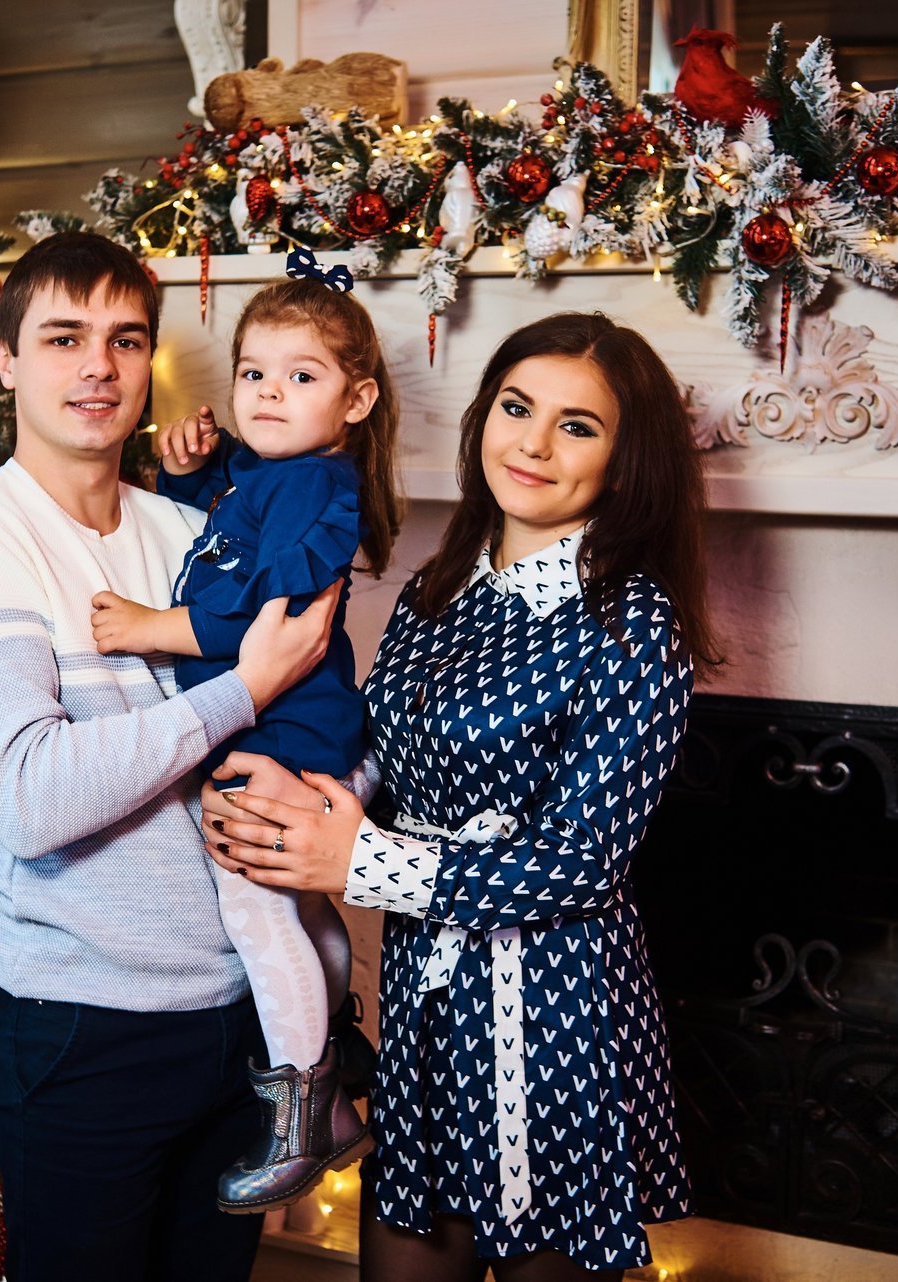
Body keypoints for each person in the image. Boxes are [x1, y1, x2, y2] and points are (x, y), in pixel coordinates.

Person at [198, 312, 722, 1279]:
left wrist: (358, 859)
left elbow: (582, 862)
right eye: (517, 408)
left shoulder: (634, 620)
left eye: (577, 425)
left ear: (625, 461)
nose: (533, 443)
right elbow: (383, 757)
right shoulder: (438, 588)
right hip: (424, 1012)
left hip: (554, 1017)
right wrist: (304, 798)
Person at [0, 232, 349, 1282]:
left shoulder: (193, 528)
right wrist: (243, 688)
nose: (98, 367)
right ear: (7, 361)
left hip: (240, 1023)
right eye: (64, 338)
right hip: (90, 1034)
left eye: (125, 340)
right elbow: (27, 799)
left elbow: (303, 720)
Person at [88, 271, 403, 1212]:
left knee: (257, 915)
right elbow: (228, 527)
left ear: (357, 400)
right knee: (298, 908)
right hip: (299, 734)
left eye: (302, 377)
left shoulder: (312, 482)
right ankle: (337, 1079)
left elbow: (266, 612)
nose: (269, 392)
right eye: (254, 372)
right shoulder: (283, 474)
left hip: (282, 738)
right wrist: (191, 471)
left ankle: (300, 1118)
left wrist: (150, 627)